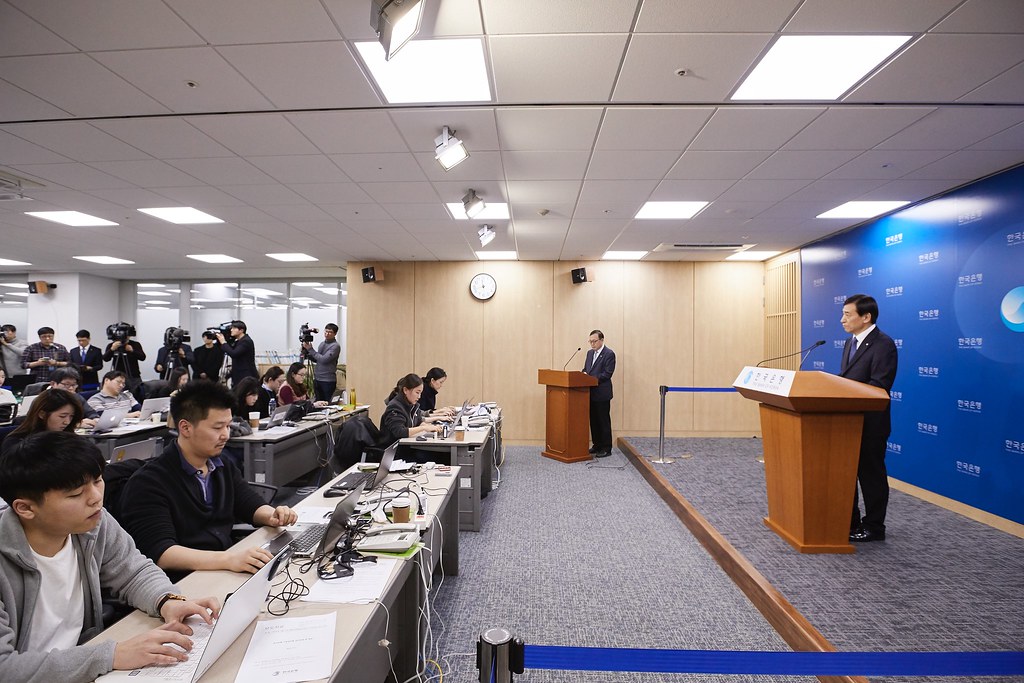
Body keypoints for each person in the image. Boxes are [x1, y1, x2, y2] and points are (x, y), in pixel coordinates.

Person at [0, 431, 219, 681]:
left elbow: (132, 570)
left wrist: (167, 600)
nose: (95, 498)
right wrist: (111, 655)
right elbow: (4, 668)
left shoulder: (92, 522)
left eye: (98, 480)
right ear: (25, 508)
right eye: (75, 494)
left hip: (83, 665)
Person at [119, 380, 298, 581]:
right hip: (183, 583)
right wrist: (229, 559)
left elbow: (248, 503)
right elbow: (162, 553)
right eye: (217, 427)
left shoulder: (221, 466)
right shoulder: (148, 483)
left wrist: (273, 514)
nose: (225, 435)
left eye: (228, 426)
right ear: (185, 428)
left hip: (222, 571)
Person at [839, 294, 899, 543]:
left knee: (871, 475)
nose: (842, 319)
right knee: (846, 472)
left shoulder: (883, 344)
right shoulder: (850, 342)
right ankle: (851, 522)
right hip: (848, 421)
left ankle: (874, 527)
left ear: (866, 317)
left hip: (871, 423)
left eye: (847, 314)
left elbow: (879, 385)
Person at [2, 388, 87, 455]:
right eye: (62, 416)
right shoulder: (17, 443)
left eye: (71, 416)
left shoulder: (70, 439)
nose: (67, 422)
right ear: (42, 414)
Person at [379, 374, 443, 462]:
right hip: (395, 453)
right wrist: (424, 428)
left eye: (421, 393)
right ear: (405, 390)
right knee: (440, 457)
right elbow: (399, 432)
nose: (419, 396)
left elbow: (419, 420)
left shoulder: (412, 405)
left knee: (440, 455)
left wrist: (430, 427)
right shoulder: (395, 407)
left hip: (407, 448)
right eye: (417, 392)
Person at [583, 329, 616, 458]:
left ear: (601, 340)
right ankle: (597, 445)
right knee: (594, 421)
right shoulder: (589, 353)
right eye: (590, 341)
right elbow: (586, 369)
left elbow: (607, 374)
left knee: (603, 421)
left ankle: (606, 448)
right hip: (590, 393)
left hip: (602, 393)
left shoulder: (609, 354)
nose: (592, 344)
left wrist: (591, 378)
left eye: (594, 341)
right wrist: (583, 374)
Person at [301, 323, 340, 402]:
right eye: (325, 331)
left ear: (335, 334)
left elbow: (324, 360)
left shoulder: (335, 346)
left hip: (327, 380)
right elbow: (318, 360)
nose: (327, 334)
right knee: (318, 403)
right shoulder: (322, 344)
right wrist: (308, 354)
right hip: (317, 379)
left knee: (327, 403)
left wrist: (310, 349)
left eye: (330, 332)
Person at [102, 329, 146, 394]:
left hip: (134, 376)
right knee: (119, 396)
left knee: (138, 395)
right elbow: (105, 358)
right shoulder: (112, 345)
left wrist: (132, 351)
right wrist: (112, 349)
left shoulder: (135, 344)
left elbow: (142, 357)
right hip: (118, 377)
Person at [215, 321, 258, 387]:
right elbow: (228, 349)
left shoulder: (246, 341)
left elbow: (233, 353)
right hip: (239, 375)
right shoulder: (239, 341)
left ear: (241, 330)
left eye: (234, 328)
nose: (231, 330)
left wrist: (223, 342)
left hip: (245, 376)